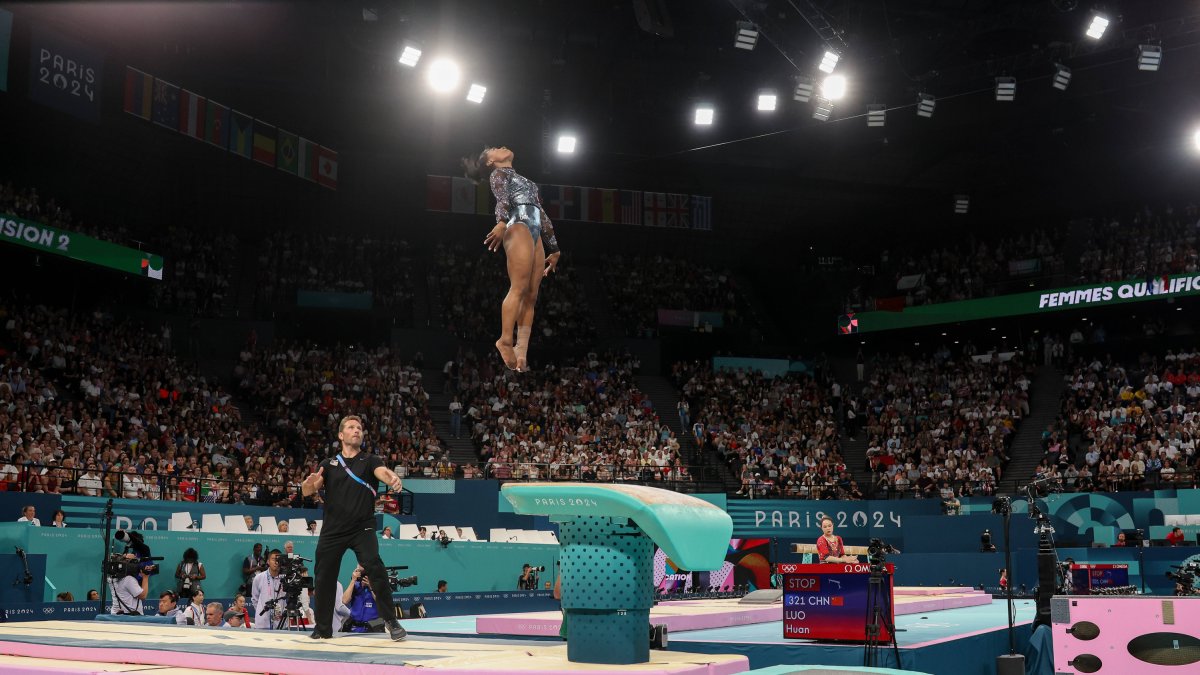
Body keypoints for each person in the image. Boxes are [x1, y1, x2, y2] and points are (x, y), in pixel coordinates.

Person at [302, 415, 406, 641]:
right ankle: (322, 629)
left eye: (359, 427)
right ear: (341, 435)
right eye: (351, 427)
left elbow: (383, 472)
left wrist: (392, 478)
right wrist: (308, 484)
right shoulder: (328, 464)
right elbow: (308, 490)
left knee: (375, 567)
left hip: (363, 528)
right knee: (323, 577)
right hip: (332, 530)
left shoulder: (370, 460)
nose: (357, 430)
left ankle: (391, 621)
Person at [463, 146, 562, 372]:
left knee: (532, 295)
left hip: (535, 226)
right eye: (494, 149)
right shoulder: (497, 175)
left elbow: (542, 214)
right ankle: (505, 340)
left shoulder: (525, 180)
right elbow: (502, 198)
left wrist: (554, 248)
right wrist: (500, 221)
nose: (501, 146)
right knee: (518, 287)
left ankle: (521, 351)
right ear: (490, 162)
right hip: (517, 224)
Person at [251, 549, 286, 630]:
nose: (276, 562)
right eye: (273, 559)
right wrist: (262, 612)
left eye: (278, 560)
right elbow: (254, 599)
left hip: (280, 622)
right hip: (262, 623)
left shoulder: (285, 579)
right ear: (268, 561)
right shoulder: (259, 578)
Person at [341, 565, 383, 632]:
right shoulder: (355, 585)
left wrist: (371, 587)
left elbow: (382, 603)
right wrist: (353, 580)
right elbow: (344, 601)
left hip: (373, 629)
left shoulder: (377, 585)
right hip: (354, 629)